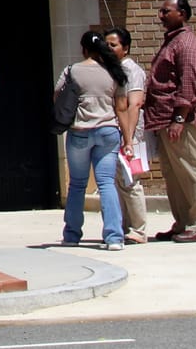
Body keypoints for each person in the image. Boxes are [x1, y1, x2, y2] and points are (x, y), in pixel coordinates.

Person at [143, 0, 196, 243]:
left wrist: (179, 119)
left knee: (190, 170)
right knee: (173, 174)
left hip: (182, 121)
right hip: (164, 119)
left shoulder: (187, 45)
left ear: (182, 14)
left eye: (166, 11)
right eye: (161, 11)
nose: (161, 16)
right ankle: (183, 222)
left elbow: (188, 86)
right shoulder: (172, 42)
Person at [58, 31, 128, 250]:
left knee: (77, 184)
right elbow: (122, 107)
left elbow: (57, 97)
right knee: (106, 183)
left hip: (80, 130)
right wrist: (128, 140)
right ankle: (114, 237)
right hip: (108, 131)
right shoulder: (114, 71)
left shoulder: (72, 71)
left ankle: (71, 235)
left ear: (84, 49)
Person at [104, 27, 149, 243]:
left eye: (113, 45)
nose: (109, 49)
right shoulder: (111, 70)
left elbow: (135, 104)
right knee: (117, 182)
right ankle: (123, 226)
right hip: (117, 132)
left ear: (126, 47)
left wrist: (129, 138)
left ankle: (139, 229)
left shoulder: (132, 71)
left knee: (131, 180)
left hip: (132, 132)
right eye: (107, 45)